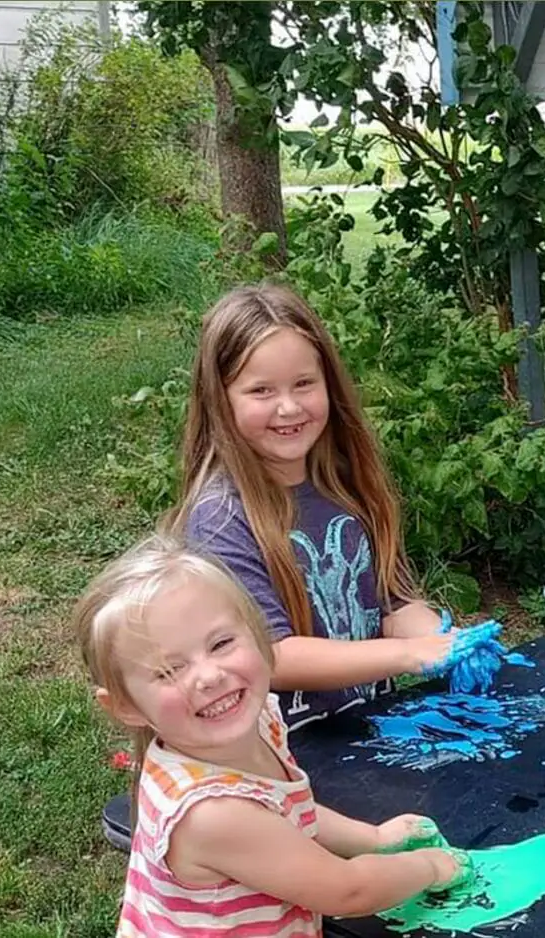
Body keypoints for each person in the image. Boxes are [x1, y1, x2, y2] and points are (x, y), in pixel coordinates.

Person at [74, 534, 469, 936]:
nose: (210, 676)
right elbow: (346, 891)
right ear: (126, 705)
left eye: (222, 643)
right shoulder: (212, 814)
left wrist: (373, 838)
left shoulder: (257, 718)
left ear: (260, 635)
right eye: (169, 671)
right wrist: (429, 867)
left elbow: (289, 811)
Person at [167, 282, 455, 741]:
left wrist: (449, 640)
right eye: (261, 390)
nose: (288, 407)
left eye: (304, 383)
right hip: (281, 762)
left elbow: (392, 604)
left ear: (328, 383)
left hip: (372, 732)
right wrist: (415, 655)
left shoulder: (349, 483)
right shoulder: (220, 517)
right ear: (220, 400)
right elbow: (272, 657)